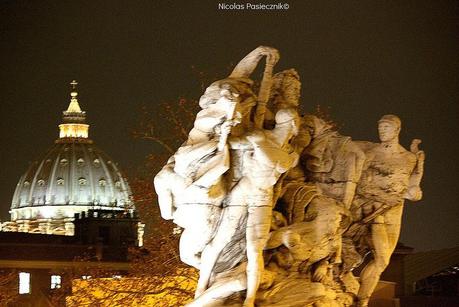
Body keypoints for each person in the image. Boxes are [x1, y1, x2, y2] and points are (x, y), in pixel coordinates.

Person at [347, 114, 425, 307]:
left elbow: (414, 186)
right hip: (370, 209)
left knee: (383, 262)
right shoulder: (369, 150)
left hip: (394, 211)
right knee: (380, 258)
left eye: (387, 127)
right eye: (380, 127)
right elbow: (354, 171)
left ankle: (359, 296)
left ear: (397, 130)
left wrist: (414, 193)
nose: (382, 130)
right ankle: (361, 300)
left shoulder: (408, 158)